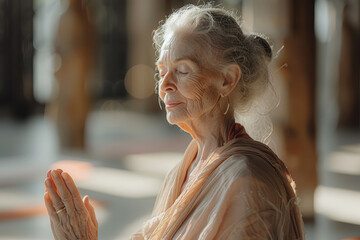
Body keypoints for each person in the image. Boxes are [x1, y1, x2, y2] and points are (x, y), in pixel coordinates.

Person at [44, 4, 305, 240]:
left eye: (182, 70)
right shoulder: (184, 168)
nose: (165, 85)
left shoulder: (248, 180)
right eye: (162, 72)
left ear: (227, 80)